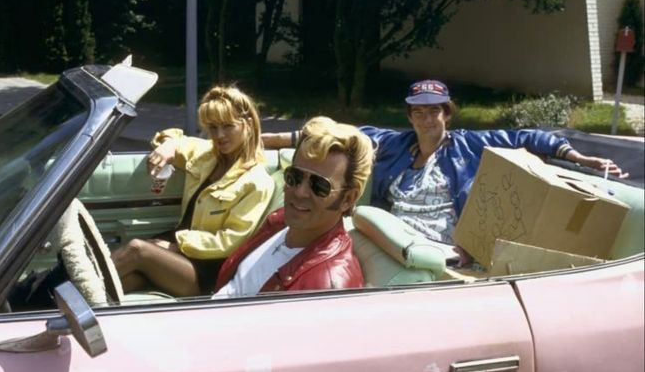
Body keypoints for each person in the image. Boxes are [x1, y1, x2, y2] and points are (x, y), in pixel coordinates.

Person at [262, 79, 628, 266]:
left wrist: (580, 157)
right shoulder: (393, 143)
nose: (426, 119)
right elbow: (331, 134)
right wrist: (265, 140)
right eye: (418, 112)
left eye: (434, 111)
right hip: (388, 235)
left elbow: (527, 137)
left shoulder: (468, 145)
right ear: (409, 116)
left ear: (446, 114)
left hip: (441, 246)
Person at [112, 86, 275, 296]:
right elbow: (176, 139)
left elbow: (229, 241)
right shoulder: (206, 153)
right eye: (213, 127)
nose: (219, 135)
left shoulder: (257, 182)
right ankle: (67, 308)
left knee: (137, 249)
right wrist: (168, 146)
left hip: (207, 271)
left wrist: (178, 245)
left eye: (228, 126)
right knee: (130, 279)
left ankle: (64, 295)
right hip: (178, 256)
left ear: (248, 124)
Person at [213, 116, 374, 298]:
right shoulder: (280, 221)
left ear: (347, 198)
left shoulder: (327, 289)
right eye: (294, 176)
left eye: (319, 185)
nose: (299, 192)